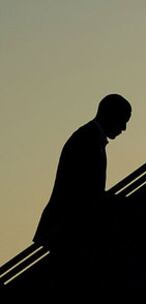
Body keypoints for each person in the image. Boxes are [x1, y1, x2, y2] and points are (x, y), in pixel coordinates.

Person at [33, 93, 132, 291]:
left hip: (63, 227)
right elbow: (84, 193)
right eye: (123, 121)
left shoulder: (87, 137)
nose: (124, 128)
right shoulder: (89, 140)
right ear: (110, 114)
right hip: (68, 229)